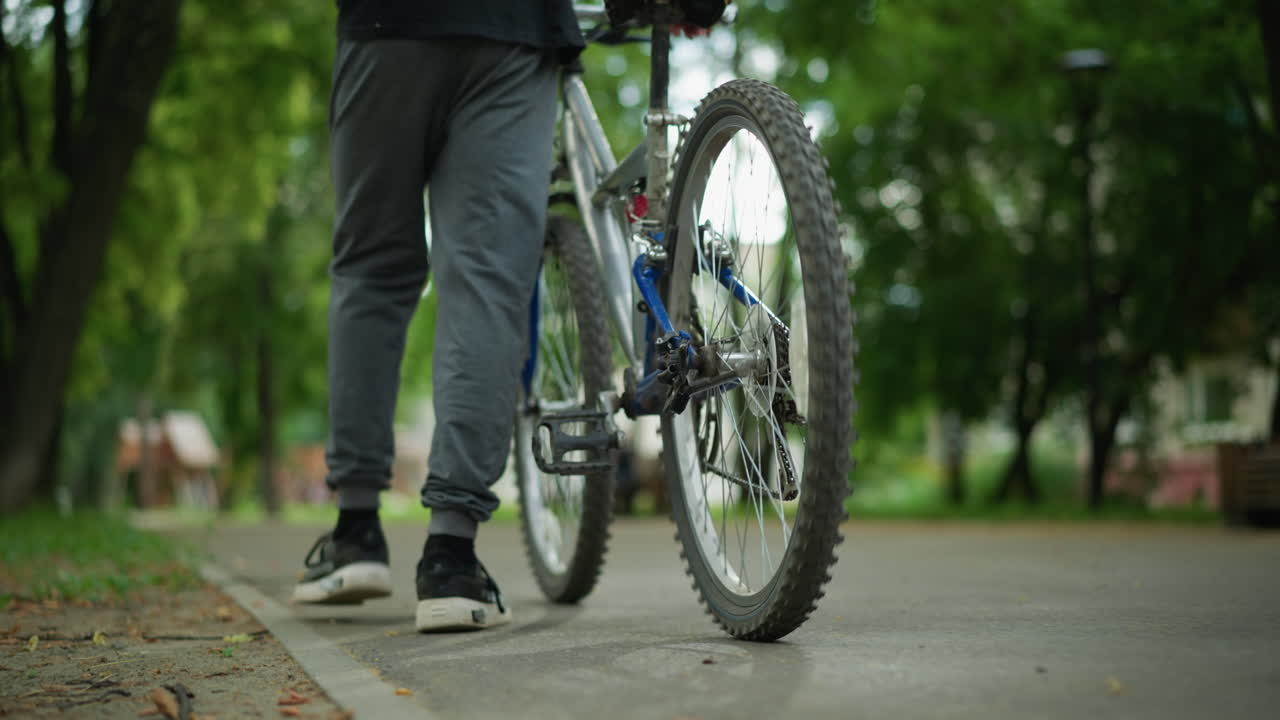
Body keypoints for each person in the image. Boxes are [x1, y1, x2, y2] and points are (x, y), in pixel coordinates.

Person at [291, 1, 585, 632]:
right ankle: (451, 559)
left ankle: (355, 535)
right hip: (515, 29)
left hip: (386, 25)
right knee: (486, 280)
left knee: (371, 268)